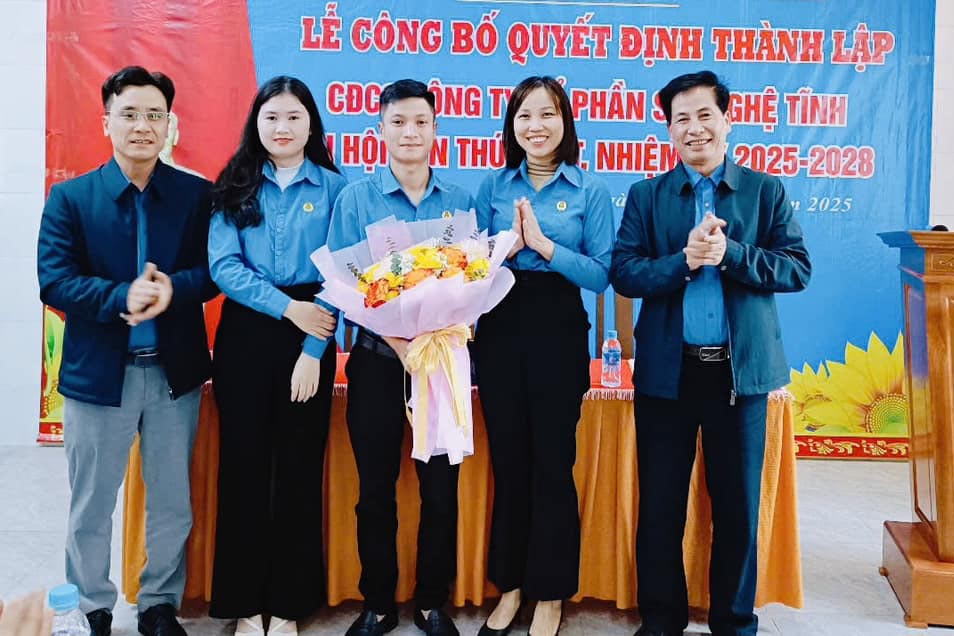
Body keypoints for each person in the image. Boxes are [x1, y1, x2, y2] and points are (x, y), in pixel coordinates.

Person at [609, 71, 811, 636]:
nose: (693, 128)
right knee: (661, 508)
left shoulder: (764, 191)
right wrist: (685, 260)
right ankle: (661, 620)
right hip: (667, 379)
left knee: (737, 512)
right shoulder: (648, 196)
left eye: (704, 115)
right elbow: (624, 273)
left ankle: (734, 622)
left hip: (739, 376)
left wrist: (731, 254)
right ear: (667, 130)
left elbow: (796, 268)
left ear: (727, 119)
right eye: (681, 119)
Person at [37, 65, 217, 636]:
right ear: (106, 121)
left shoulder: (195, 194)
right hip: (99, 378)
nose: (142, 126)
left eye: (154, 115)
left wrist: (172, 289)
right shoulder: (71, 198)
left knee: (171, 502)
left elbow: (214, 272)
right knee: (92, 505)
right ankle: (92, 607)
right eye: (130, 114)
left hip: (172, 376)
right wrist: (122, 295)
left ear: (170, 125)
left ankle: (158, 603)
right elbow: (54, 280)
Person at [326, 79, 473, 636]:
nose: (410, 132)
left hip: (440, 363)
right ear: (380, 130)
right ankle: (379, 603)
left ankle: (432, 602)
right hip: (378, 363)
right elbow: (343, 284)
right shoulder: (355, 199)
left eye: (421, 122)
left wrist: (439, 336)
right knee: (375, 491)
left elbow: (471, 279)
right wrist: (397, 341)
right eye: (399, 122)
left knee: (440, 490)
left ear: (436, 130)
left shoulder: (459, 201)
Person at [472, 76, 615, 636]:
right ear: (512, 125)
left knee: (553, 465)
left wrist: (545, 246)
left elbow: (602, 274)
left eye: (547, 114)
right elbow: (473, 265)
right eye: (524, 115)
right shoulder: (492, 187)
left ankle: (550, 594)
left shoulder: (590, 191)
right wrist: (505, 246)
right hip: (501, 322)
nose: (535, 125)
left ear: (565, 123)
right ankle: (508, 588)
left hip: (558, 325)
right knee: (509, 463)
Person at [206, 76, 346, 636]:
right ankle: (244, 603)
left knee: (296, 469)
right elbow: (224, 267)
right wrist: (287, 310)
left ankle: (288, 605)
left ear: (310, 123)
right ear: (256, 124)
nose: (282, 128)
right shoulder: (235, 184)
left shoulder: (337, 189)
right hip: (248, 333)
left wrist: (314, 349)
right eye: (271, 118)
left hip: (313, 332)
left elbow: (341, 275)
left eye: (293, 117)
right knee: (242, 469)